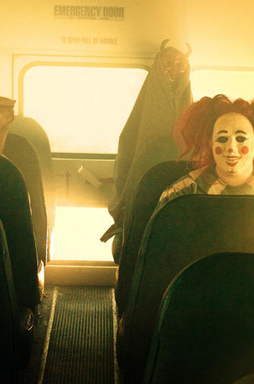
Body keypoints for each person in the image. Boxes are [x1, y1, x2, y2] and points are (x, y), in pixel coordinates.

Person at [102, 39, 193, 262]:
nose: (173, 69)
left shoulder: (187, 102)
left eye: (179, 64)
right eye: (168, 64)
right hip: (144, 173)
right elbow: (130, 144)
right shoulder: (149, 99)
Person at [156, 94, 254, 209]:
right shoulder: (182, 194)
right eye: (222, 138)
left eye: (241, 138)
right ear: (210, 143)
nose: (231, 147)